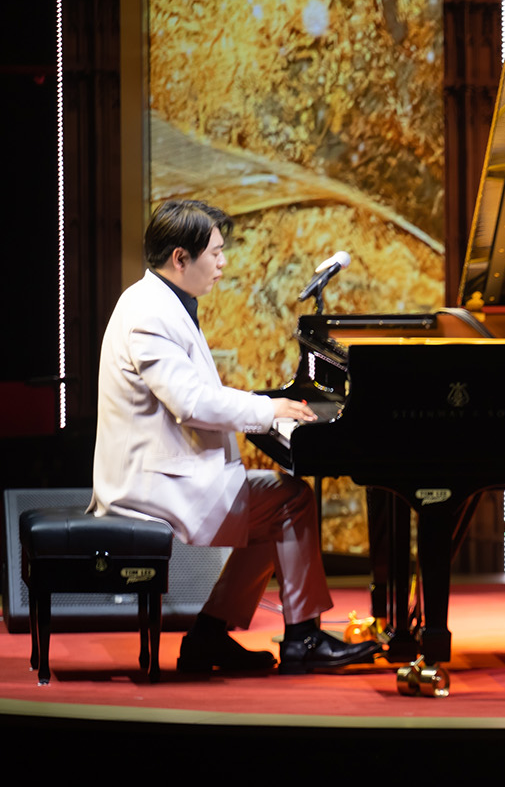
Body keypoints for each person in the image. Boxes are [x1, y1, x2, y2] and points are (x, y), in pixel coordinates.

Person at [93, 199, 378, 674]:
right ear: (181, 258)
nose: (223, 263)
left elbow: (198, 394)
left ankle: (209, 638)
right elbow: (191, 403)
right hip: (150, 486)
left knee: (275, 504)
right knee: (290, 501)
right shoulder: (148, 314)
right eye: (216, 253)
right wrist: (268, 411)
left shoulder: (160, 301)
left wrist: (266, 409)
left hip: (162, 471)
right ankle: (302, 638)